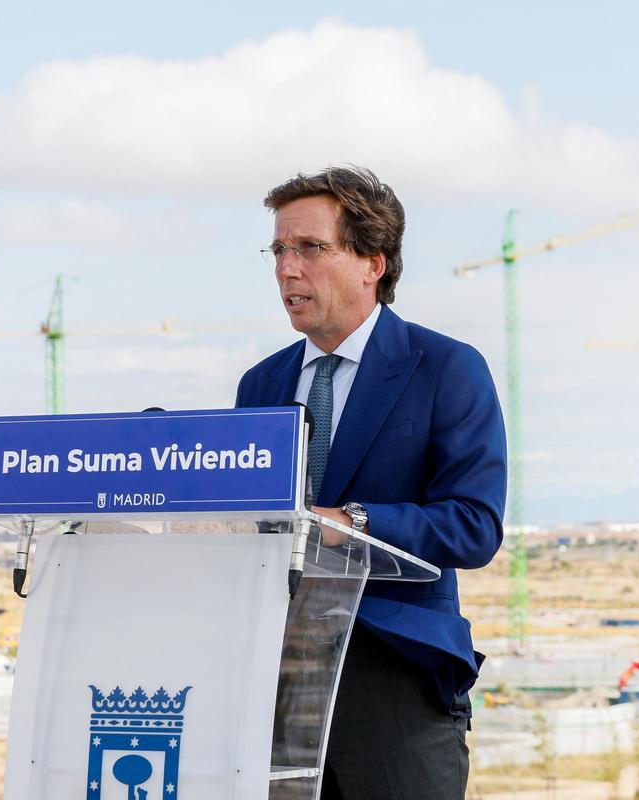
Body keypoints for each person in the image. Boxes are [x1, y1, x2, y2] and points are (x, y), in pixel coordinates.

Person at [235, 166, 507, 799]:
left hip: (396, 674)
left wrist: (351, 524)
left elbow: (475, 525)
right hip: (277, 681)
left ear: (372, 263)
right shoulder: (260, 386)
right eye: (278, 249)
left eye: (309, 248)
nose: (286, 268)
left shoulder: (446, 369)